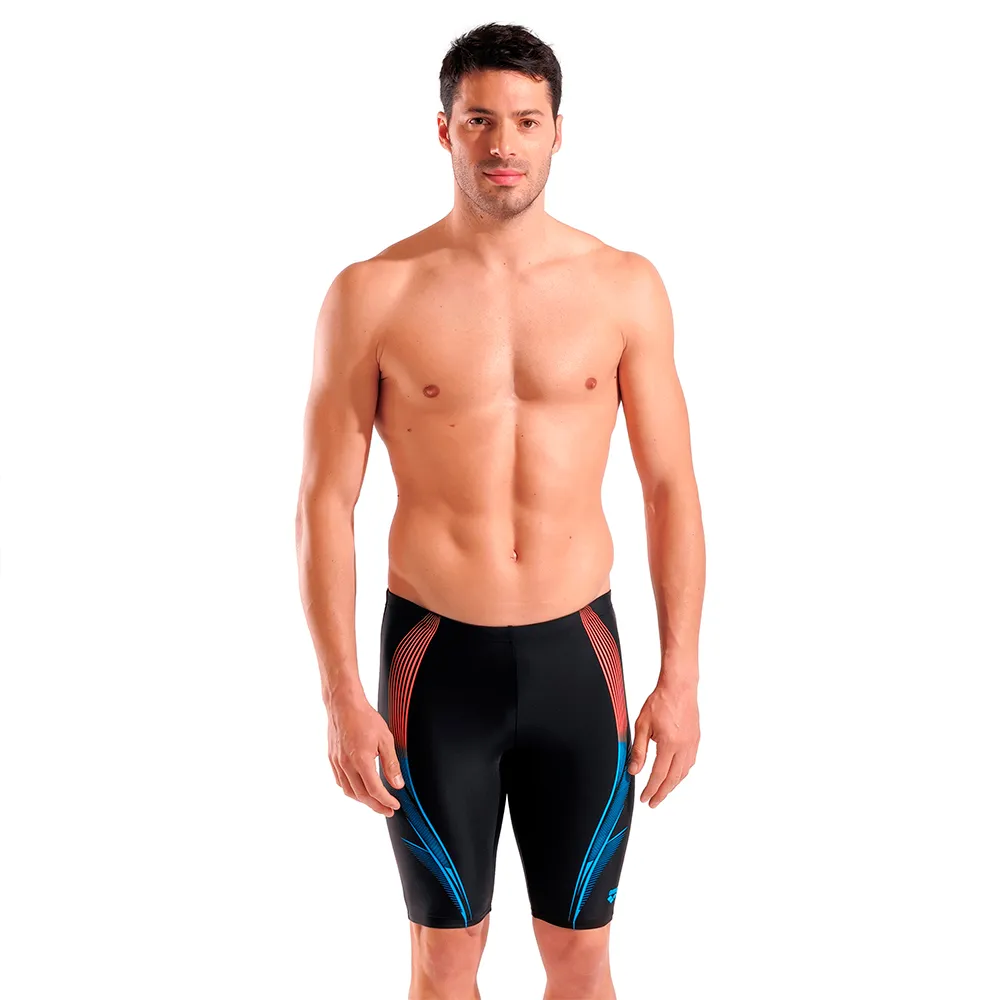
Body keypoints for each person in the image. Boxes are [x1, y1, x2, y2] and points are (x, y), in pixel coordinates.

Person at [295, 21, 705, 1000]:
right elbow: (324, 501)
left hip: (579, 657)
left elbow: (670, 487)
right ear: (444, 130)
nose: (502, 144)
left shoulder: (624, 287)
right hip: (434, 661)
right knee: (444, 960)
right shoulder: (372, 294)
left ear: (559, 131)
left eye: (525, 120)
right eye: (479, 119)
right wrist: (341, 693)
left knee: (582, 958)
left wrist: (682, 673)